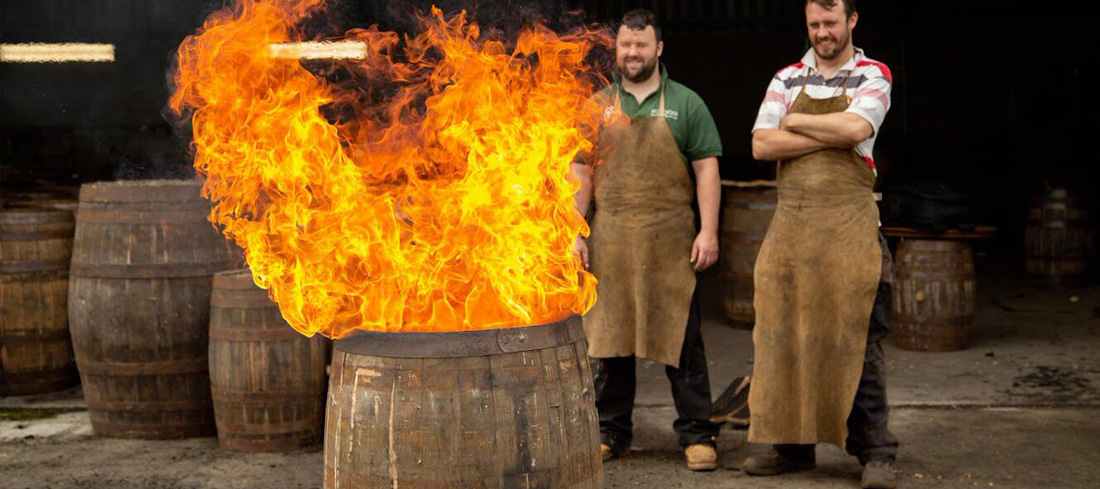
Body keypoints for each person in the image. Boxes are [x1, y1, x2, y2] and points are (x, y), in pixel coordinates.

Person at [742, 0, 899, 488]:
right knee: (786, 336)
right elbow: (761, 145)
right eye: (814, 24)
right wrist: (827, 134)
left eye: (831, 23)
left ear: (852, 20)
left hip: (849, 229)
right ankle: (793, 448)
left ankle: (876, 451)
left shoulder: (874, 73)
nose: (822, 33)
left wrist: (793, 123)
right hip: (791, 232)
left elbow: (857, 128)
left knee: (857, 339)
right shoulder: (786, 77)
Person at [571, 8, 723, 472]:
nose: (632, 53)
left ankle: (698, 435)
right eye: (625, 45)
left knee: (683, 341)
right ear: (615, 49)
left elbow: (707, 168)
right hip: (611, 240)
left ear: (659, 49)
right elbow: (580, 171)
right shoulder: (597, 105)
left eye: (641, 45)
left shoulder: (686, 103)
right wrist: (575, 232)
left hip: (669, 243)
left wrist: (709, 231)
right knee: (609, 344)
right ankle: (610, 432)